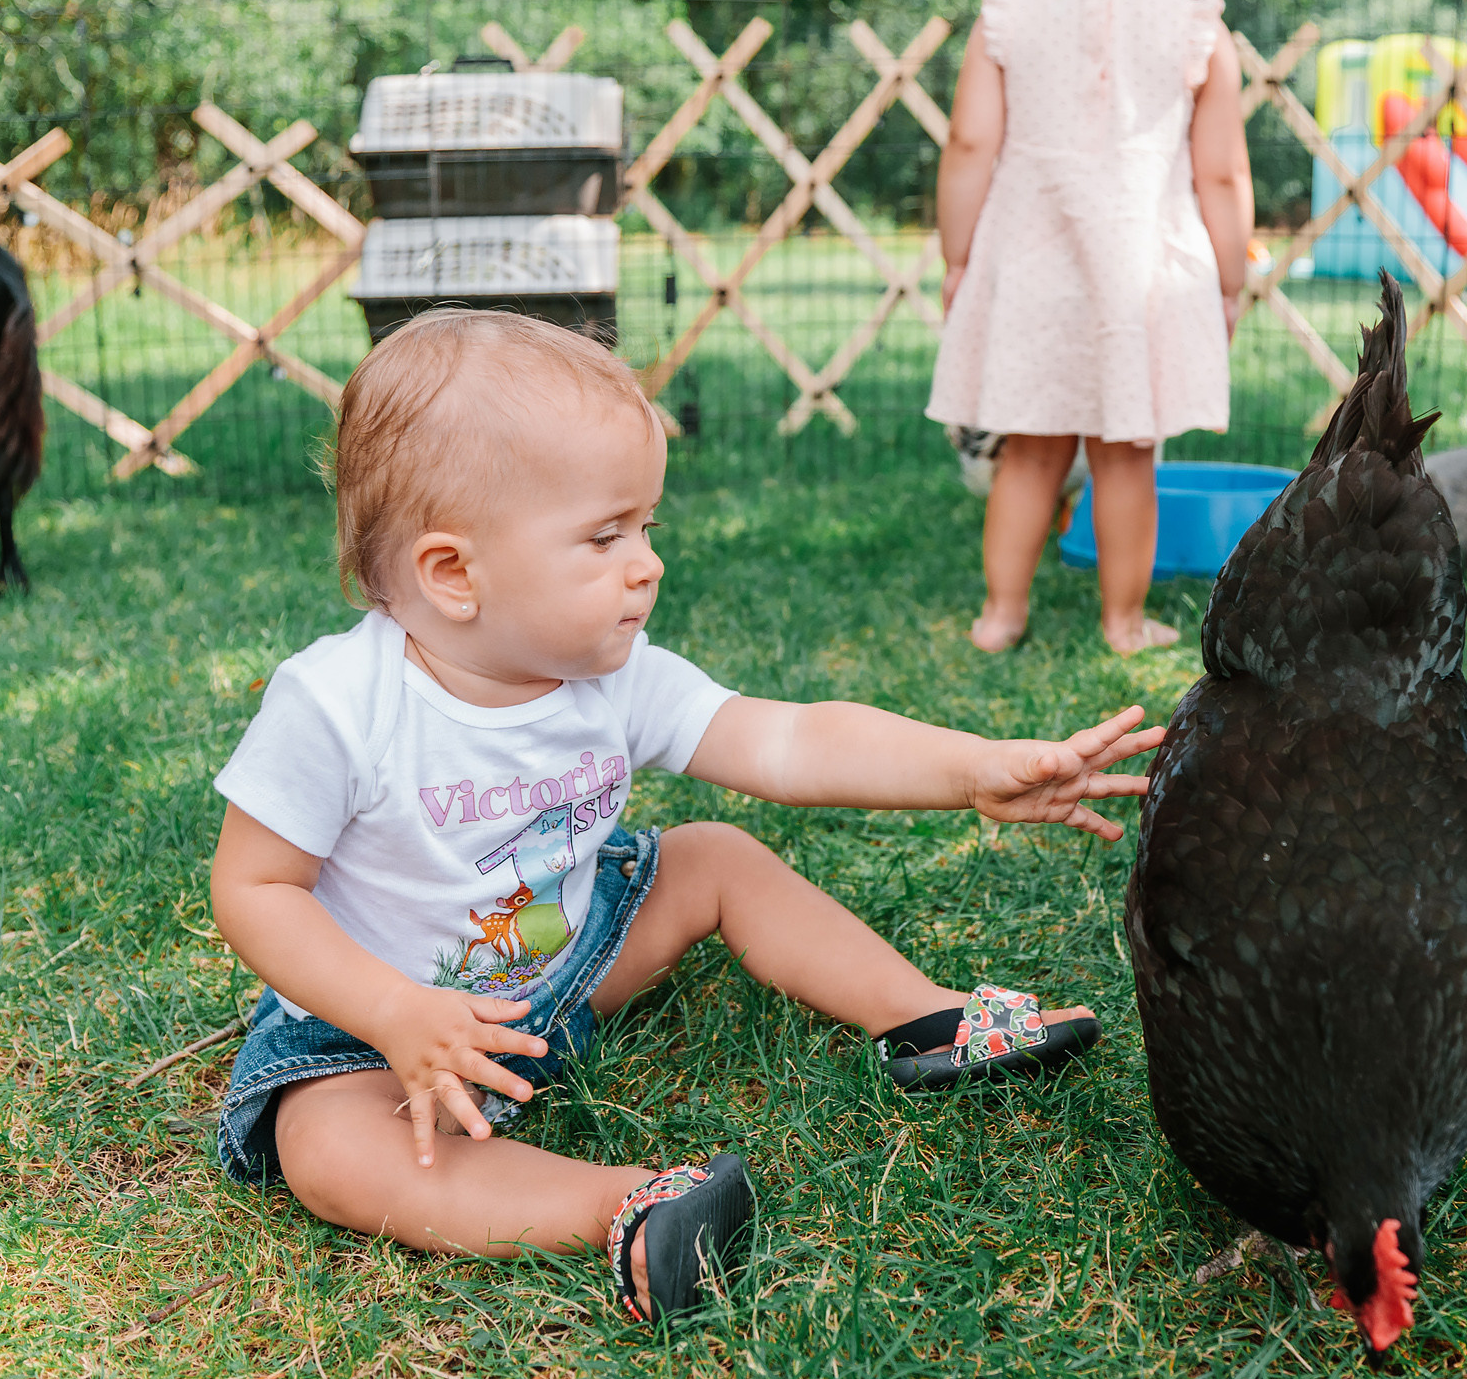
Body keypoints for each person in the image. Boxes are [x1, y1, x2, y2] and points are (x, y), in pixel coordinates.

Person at [207, 311, 1160, 1321]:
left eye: (646, 529)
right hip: (378, 1029)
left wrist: (972, 770)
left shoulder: (610, 678)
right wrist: (394, 1012)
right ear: (453, 575)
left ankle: (927, 1017)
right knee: (327, 1150)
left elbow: (789, 741)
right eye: (605, 536)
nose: (647, 564)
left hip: (570, 961)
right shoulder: (337, 705)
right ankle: (633, 1205)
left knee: (713, 858)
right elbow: (254, 888)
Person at [928, 0, 1255, 655]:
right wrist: (1229, 279)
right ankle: (1124, 622)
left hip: (1029, 268)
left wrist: (957, 258)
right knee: (1127, 456)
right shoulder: (1197, 30)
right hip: (1139, 277)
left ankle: (1001, 615)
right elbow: (1221, 175)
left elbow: (968, 146)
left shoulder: (1006, 16)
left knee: (1030, 448)